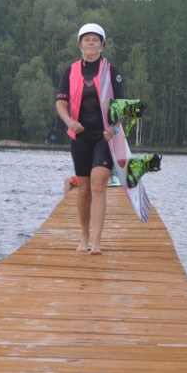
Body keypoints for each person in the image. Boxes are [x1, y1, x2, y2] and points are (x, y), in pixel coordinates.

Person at [56, 23, 125, 255]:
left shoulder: (111, 72)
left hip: (105, 137)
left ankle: (96, 241)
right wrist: (68, 122)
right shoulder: (71, 71)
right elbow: (61, 103)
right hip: (80, 136)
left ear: (103, 44)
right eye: (87, 40)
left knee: (98, 184)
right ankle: (84, 237)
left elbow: (121, 106)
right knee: (84, 188)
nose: (91, 43)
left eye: (96, 40)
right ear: (80, 44)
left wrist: (114, 128)